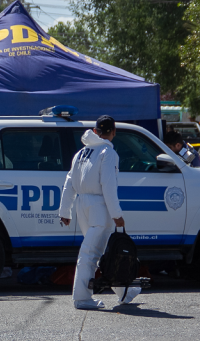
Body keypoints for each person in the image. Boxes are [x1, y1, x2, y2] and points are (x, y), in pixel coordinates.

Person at [59, 115, 141, 310]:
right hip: (99, 206)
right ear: (114, 132)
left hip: (82, 205)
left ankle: (125, 291)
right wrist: (116, 214)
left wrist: (65, 211)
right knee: (92, 253)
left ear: (95, 131)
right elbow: (108, 186)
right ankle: (82, 298)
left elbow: (69, 182)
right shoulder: (107, 152)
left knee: (102, 251)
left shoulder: (81, 153)